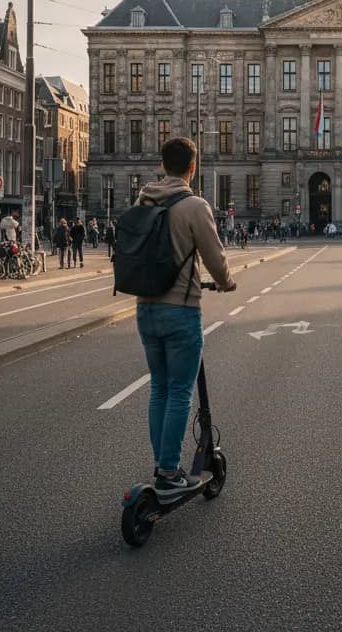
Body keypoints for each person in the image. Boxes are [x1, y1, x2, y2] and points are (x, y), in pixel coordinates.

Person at [135, 137, 235, 499]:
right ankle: (168, 471)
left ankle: (162, 463)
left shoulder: (144, 199)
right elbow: (214, 257)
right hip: (180, 309)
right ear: (193, 167)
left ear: (162, 164)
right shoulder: (195, 205)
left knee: (158, 388)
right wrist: (226, 282)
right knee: (180, 391)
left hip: (145, 308)